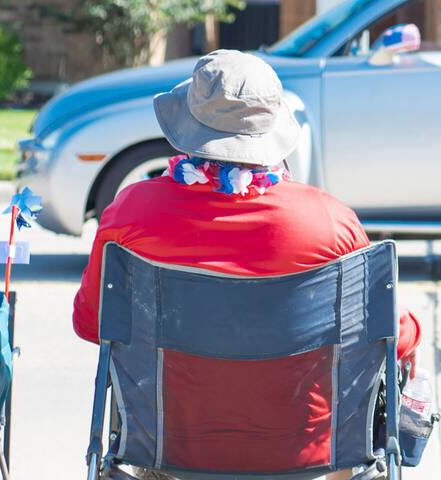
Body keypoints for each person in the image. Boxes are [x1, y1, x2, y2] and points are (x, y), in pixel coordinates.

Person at [70, 50, 422, 363]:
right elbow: (390, 334)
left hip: (163, 433)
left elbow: (91, 322)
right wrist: (415, 330)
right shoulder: (328, 221)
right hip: (305, 434)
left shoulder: (132, 211)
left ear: (187, 124)